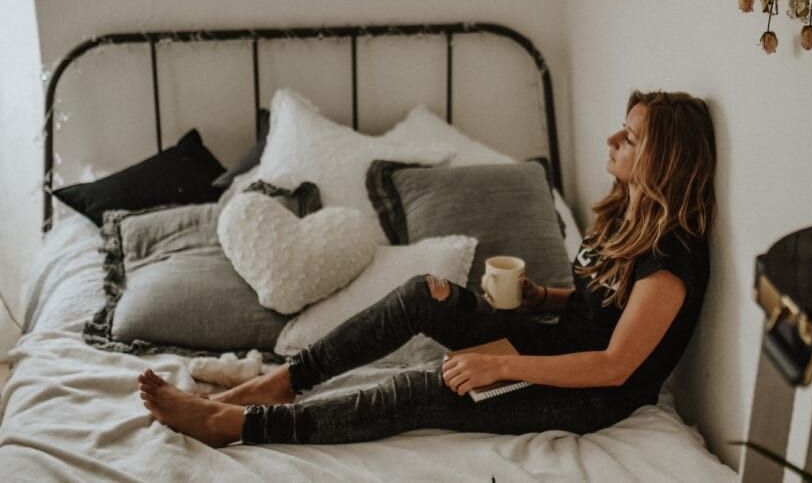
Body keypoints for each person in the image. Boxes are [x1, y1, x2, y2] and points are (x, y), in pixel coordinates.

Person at [138, 90, 717, 447]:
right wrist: (546, 297)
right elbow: (601, 308)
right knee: (425, 296)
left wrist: (495, 364)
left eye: (631, 136)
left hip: (589, 395)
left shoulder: (672, 260)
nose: (612, 137)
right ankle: (283, 382)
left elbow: (615, 366)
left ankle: (240, 426)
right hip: (553, 347)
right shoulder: (625, 215)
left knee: (423, 388)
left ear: (661, 160)